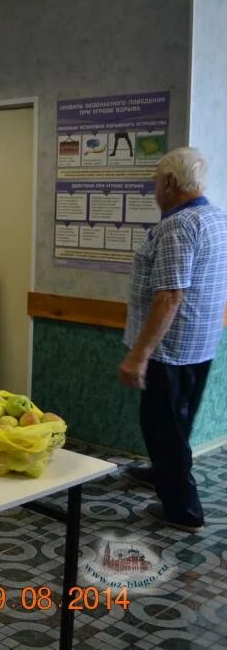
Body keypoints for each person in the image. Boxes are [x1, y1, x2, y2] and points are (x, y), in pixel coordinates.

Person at [119, 147, 227, 533]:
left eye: (155, 182)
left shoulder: (178, 226)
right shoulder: (215, 217)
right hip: (200, 344)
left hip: (171, 349)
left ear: (169, 183)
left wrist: (139, 355)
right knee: (176, 424)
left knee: (162, 426)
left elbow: (169, 295)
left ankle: (183, 510)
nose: (154, 189)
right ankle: (163, 473)